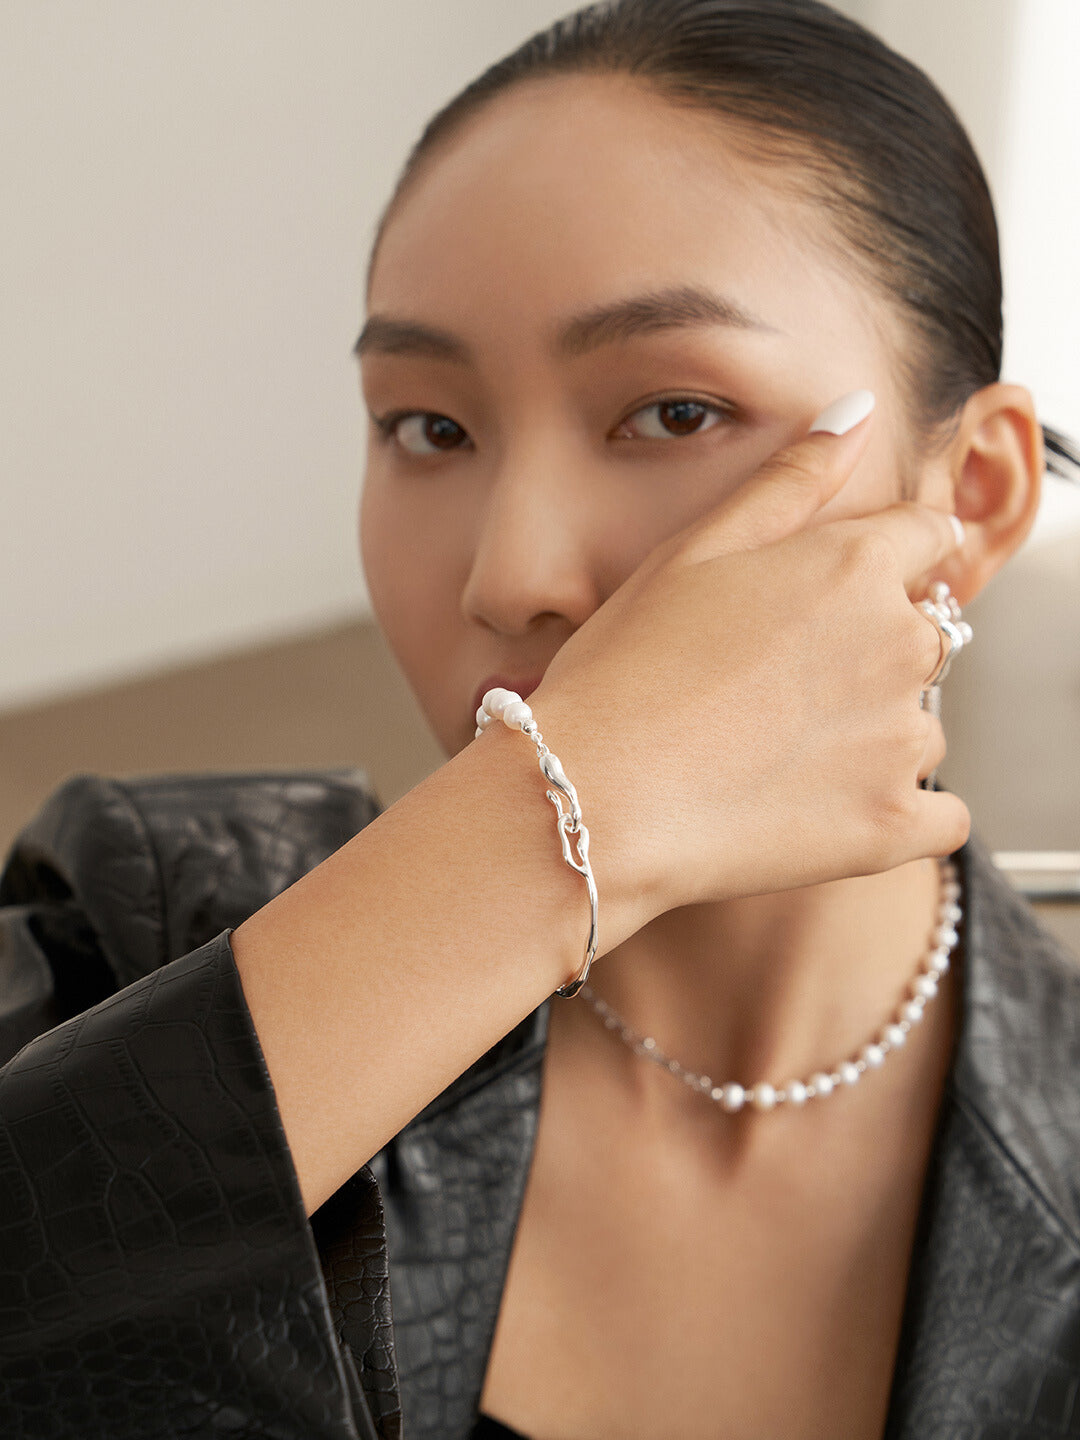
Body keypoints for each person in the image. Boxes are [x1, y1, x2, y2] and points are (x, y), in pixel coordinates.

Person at [2, 1, 1079, 1437]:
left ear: (978, 496)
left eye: (675, 412)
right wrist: (575, 819)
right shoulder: (138, 925)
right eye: (428, 429)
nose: (509, 573)